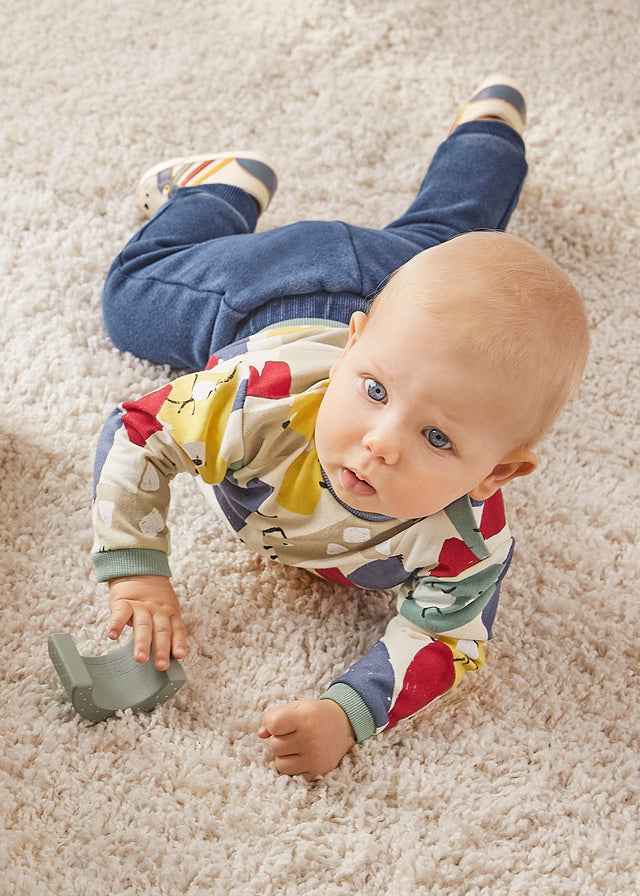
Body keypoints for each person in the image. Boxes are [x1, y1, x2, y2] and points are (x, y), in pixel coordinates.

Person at [92, 76, 589, 780]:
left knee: (448, 241)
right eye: (375, 392)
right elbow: (140, 428)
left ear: (498, 472)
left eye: (438, 438)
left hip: (408, 295)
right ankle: (217, 190)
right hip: (281, 291)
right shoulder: (254, 398)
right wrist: (136, 572)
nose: (382, 440)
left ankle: (491, 129)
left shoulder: (469, 541)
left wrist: (349, 712)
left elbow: (447, 640)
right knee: (131, 297)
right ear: (352, 349)